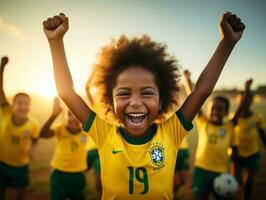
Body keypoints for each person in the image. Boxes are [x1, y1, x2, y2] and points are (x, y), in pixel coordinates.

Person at [42, 12, 245, 199]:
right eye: (124, 93)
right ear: (109, 102)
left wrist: (227, 43)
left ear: (162, 100)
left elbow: (201, 91)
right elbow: (67, 93)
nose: (135, 102)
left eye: (147, 93)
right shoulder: (103, 134)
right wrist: (55, 41)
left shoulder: (171, 132)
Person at [183, 70, 248, 199]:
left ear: (226, 112)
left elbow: (235, 154)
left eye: (220, 109)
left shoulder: (230, 127)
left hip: (222, 173)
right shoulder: (203, 122)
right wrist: (187, 80)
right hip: (201, 171)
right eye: (213, 108)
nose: (215, 111)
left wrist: (238, 175)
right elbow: (195, 99)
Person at [0, 56, 39, 200]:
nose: (23, 106)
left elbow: (35, 139)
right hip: (1, 162)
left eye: (26, 103)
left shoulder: (33, 124)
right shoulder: (5, 112)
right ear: (12, 105)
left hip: (20, 166)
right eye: (20, 103)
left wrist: (32, 149)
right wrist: (2, 66)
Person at [39, 98, 88, 200]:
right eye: (69, 114)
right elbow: (42, 134)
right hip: (59, 175)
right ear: (65, 116)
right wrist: (54, 115)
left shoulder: (86, 132)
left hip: (78, 176)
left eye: (76, 115)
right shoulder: (60, 129)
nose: (73, 118)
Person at [233, 79, 266, 200]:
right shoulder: (234, 119)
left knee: (249, 182)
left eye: (248, 100)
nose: (246, 102)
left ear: (252, 101)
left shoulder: (257, 117)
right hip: (236, 156)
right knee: (237, 182)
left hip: (253, 154)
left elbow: (262, 135)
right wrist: (246, 88)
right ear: (239, 101)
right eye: (243, 100)